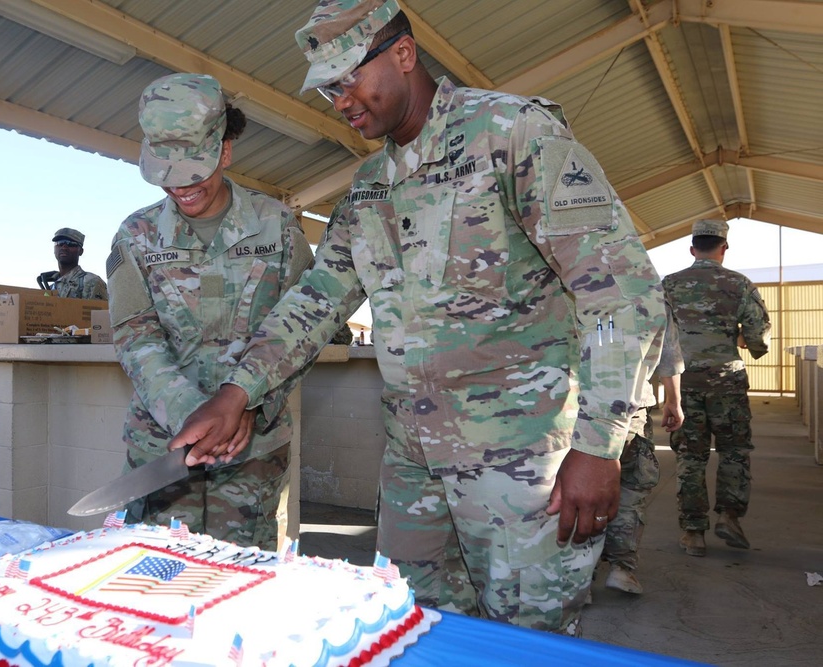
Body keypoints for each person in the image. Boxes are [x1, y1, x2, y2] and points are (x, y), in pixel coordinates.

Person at [167, 0, 666, 636]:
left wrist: (600, 445)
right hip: (412, 461)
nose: (340, 101)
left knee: (526, 642)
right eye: (327, 89)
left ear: (403, 54)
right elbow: (319, 297)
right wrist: (237, 392)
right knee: (414, 630)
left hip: (518, 464)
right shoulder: (369, 185)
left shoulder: (510, 133)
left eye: (349, 77)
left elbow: (621, 293)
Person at [105, 73, 314, 550]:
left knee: (241, 588)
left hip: (252, 452)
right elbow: (136, 337)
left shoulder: (276, 227)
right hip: (164, 451)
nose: (181, 188)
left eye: (194, 170)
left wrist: (249, 402)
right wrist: (193, 413)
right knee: (153, 587)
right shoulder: (134, 237)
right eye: (166, 174)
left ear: (224, 151)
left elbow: (303, 327)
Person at [662, 219, 771, 557]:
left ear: (693, 249)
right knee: (734, 451)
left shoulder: (669, 285)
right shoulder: (739, 284)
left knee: (690, 457)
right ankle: (729, 515)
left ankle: (693, 533)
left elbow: (658, 338)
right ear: (723, 248)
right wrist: (738, 338)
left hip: (685, 383)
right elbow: (758, 338)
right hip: (727, 382)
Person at [601, 303, 684, 595]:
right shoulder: (650, 292)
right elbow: (669, 360)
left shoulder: (567, 279)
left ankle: (579, 575)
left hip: (573, 409)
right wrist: (674, 402)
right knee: (631, 487)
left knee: (577, 487)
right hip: (630, 409)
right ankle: (622, 568)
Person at [37, 228, 108, 300]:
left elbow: (99, 310)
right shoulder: (50, 288)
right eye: (59, 243)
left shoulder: (92, 282)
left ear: (81, 251)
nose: (64, 247)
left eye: (70, 244)